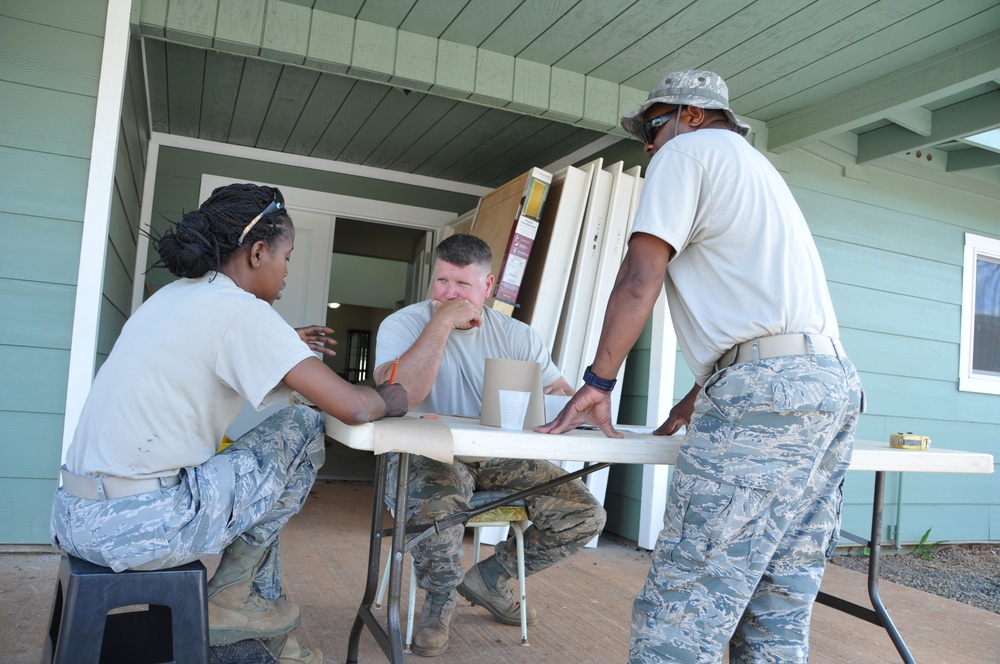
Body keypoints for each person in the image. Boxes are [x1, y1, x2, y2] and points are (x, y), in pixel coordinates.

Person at [538, 70, 864, 662]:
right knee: (777, 600)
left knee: (685, 606)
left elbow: (640, 277)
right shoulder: (759, 172)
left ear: (691, 115)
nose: (648, 145)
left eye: (653, 127)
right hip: (832, 386)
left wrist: (598, 381)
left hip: (767, 390)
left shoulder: (686, 152)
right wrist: (700, 395)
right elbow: (767, 315)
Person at [50, 183, 408, 664]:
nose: (286, 272)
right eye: (287, 257)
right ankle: (234, 602)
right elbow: (354, 408)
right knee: (300, 428)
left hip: (75, 515)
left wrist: (280, 344)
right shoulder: (242, 314)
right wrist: (388, 395)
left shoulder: (175, 297)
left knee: (260, 481)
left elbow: (210, 349)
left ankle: (256, 615)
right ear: (258, 252)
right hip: (140, 529)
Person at [373, 233, 607, 657]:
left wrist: (585, 406)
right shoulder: (404, 324)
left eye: (462, 285)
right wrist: (441, 323)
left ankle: (491, 577)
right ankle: (439, 599)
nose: (449, 294)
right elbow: (400, 393)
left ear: (489, 285)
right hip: (427, 453)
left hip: (499, 458)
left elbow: (556, 389)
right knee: (438, 508)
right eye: (442, 281)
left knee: (584, 513)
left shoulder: (517, 335)